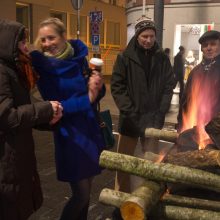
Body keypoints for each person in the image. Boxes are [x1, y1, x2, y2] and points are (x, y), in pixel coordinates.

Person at [30, 17, 105, 220]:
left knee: (87, 192)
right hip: (71, 136)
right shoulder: (44, 69)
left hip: (90, 131)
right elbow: (54, 106)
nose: (47, 44)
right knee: (80, 195)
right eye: (43, 39)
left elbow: (94, 94)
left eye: (51, 38)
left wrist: (97, 84)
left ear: (63, 37)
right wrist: (87, 98)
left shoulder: (78, 58)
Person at [0, 19, 62, 220]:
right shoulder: (1, 71)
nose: (27, 47)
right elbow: (8, 117)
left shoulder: (14, 69)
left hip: (17, 156)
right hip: (6, 159)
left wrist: (49, 118)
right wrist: (45, 109)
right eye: (22, 42)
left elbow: (24, 109)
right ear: (8, 43)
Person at [111, 17, 175, 194]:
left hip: (153, 120)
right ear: (137, 36)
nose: (148, 40)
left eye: (151, 36)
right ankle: (120, 197)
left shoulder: (162, 58)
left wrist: (161, 112)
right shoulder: (125, 57)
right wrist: (130, 112)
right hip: (130, 119)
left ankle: (149, 195)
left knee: (152, 163)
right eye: (144, 36)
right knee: (123, 162)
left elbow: (169, 84)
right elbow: (117, 86)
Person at [178, 30, 220, 138]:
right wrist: (181, 125)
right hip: (195, 128)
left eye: (213, 44)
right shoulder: (195, 72)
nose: (209, 48)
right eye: (205, 45)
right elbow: (185, 100)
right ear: (202, 49)